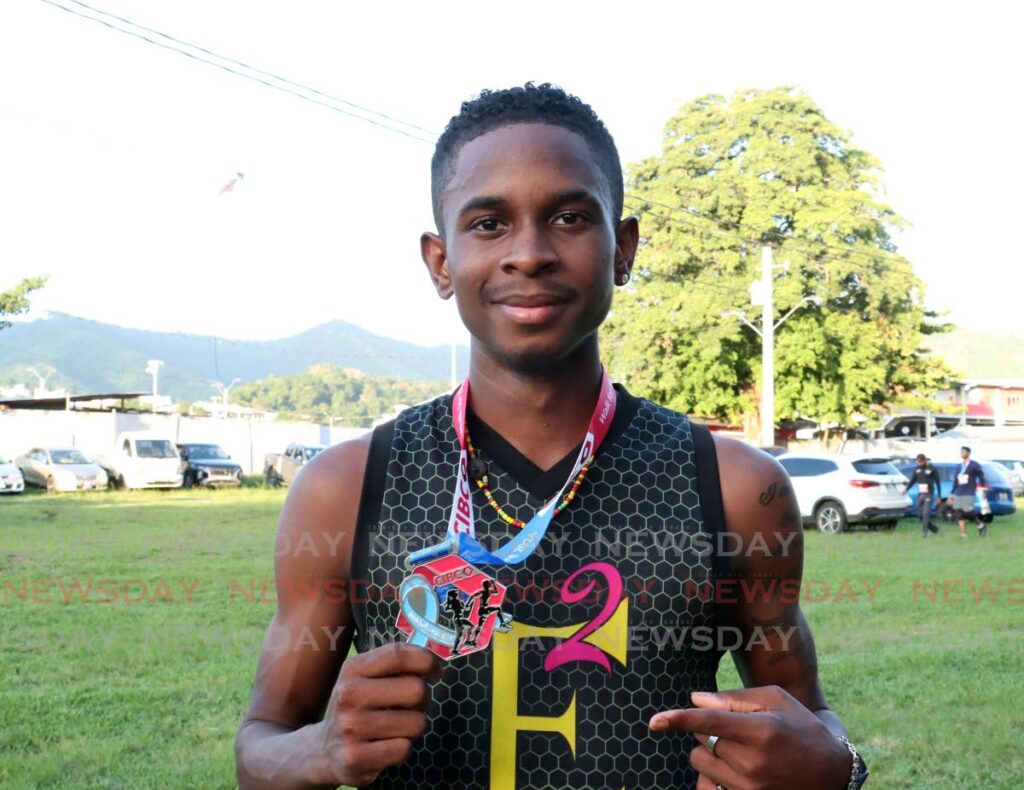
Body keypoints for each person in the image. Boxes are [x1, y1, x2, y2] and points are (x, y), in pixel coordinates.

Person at [235, 84, 867, 790]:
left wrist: (836, 766)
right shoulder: (346, 487)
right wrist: (319, 750)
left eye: (569, 217)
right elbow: (259, 744)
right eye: (488, 224)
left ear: (622, 249)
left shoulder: (734, 487)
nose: (528, 253)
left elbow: (811, 719)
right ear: (441, 263)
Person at [946, 446, 986, 538]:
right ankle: (963, 534)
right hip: (959, 492)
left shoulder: (974, 465)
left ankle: (981, 525)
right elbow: (956, 481)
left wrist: (983, 489)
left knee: (968, 511)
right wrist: (951, 494)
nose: (961, 453)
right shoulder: (958, 466)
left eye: (963, 452)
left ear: (968, 453)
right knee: (959, 513)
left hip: (969, 491)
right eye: (961, 452)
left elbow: (981, 477)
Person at [904, 453, 939, 537]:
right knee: (920, 514)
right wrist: (906, 489)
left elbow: (938, 483)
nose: (921, 463)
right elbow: (912, 481)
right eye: (919, 462)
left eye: (922, 461)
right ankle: (934, 529)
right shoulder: (917, 469)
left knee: (926, 512)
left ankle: (924, 533)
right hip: (920, 494)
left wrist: (940, 496)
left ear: (925, 460)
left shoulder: (932, 468)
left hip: (929, 494)